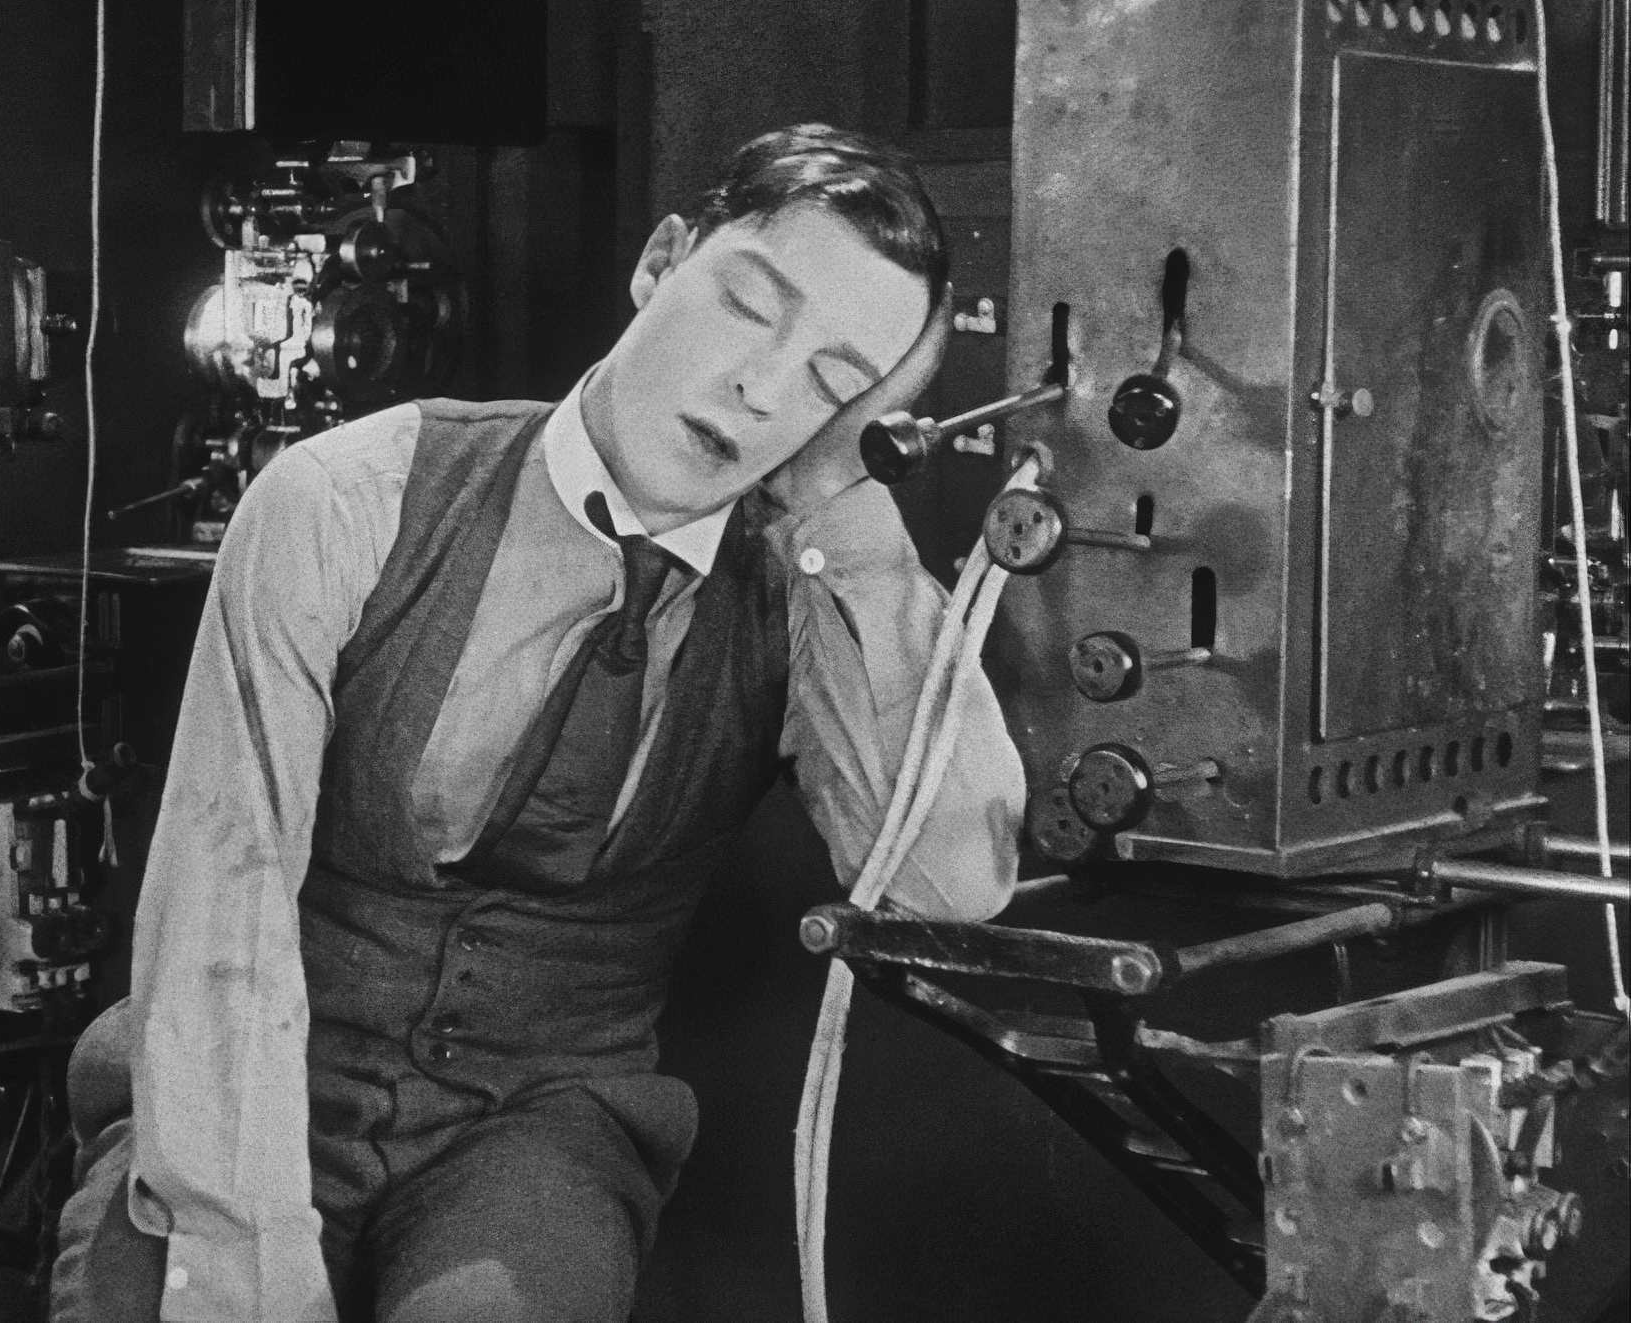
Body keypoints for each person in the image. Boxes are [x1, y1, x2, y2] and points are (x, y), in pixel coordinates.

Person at [51, 123, 1026, 1323]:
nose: (762, 386)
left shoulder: (798, 594)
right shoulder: (345, 501)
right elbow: (222, 908)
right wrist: (242, 1267)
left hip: (536, 1131)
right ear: (660, 261)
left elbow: (945, 885)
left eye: (831, 379)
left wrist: (842, 501)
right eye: (746, 306)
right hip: (237, 1081)